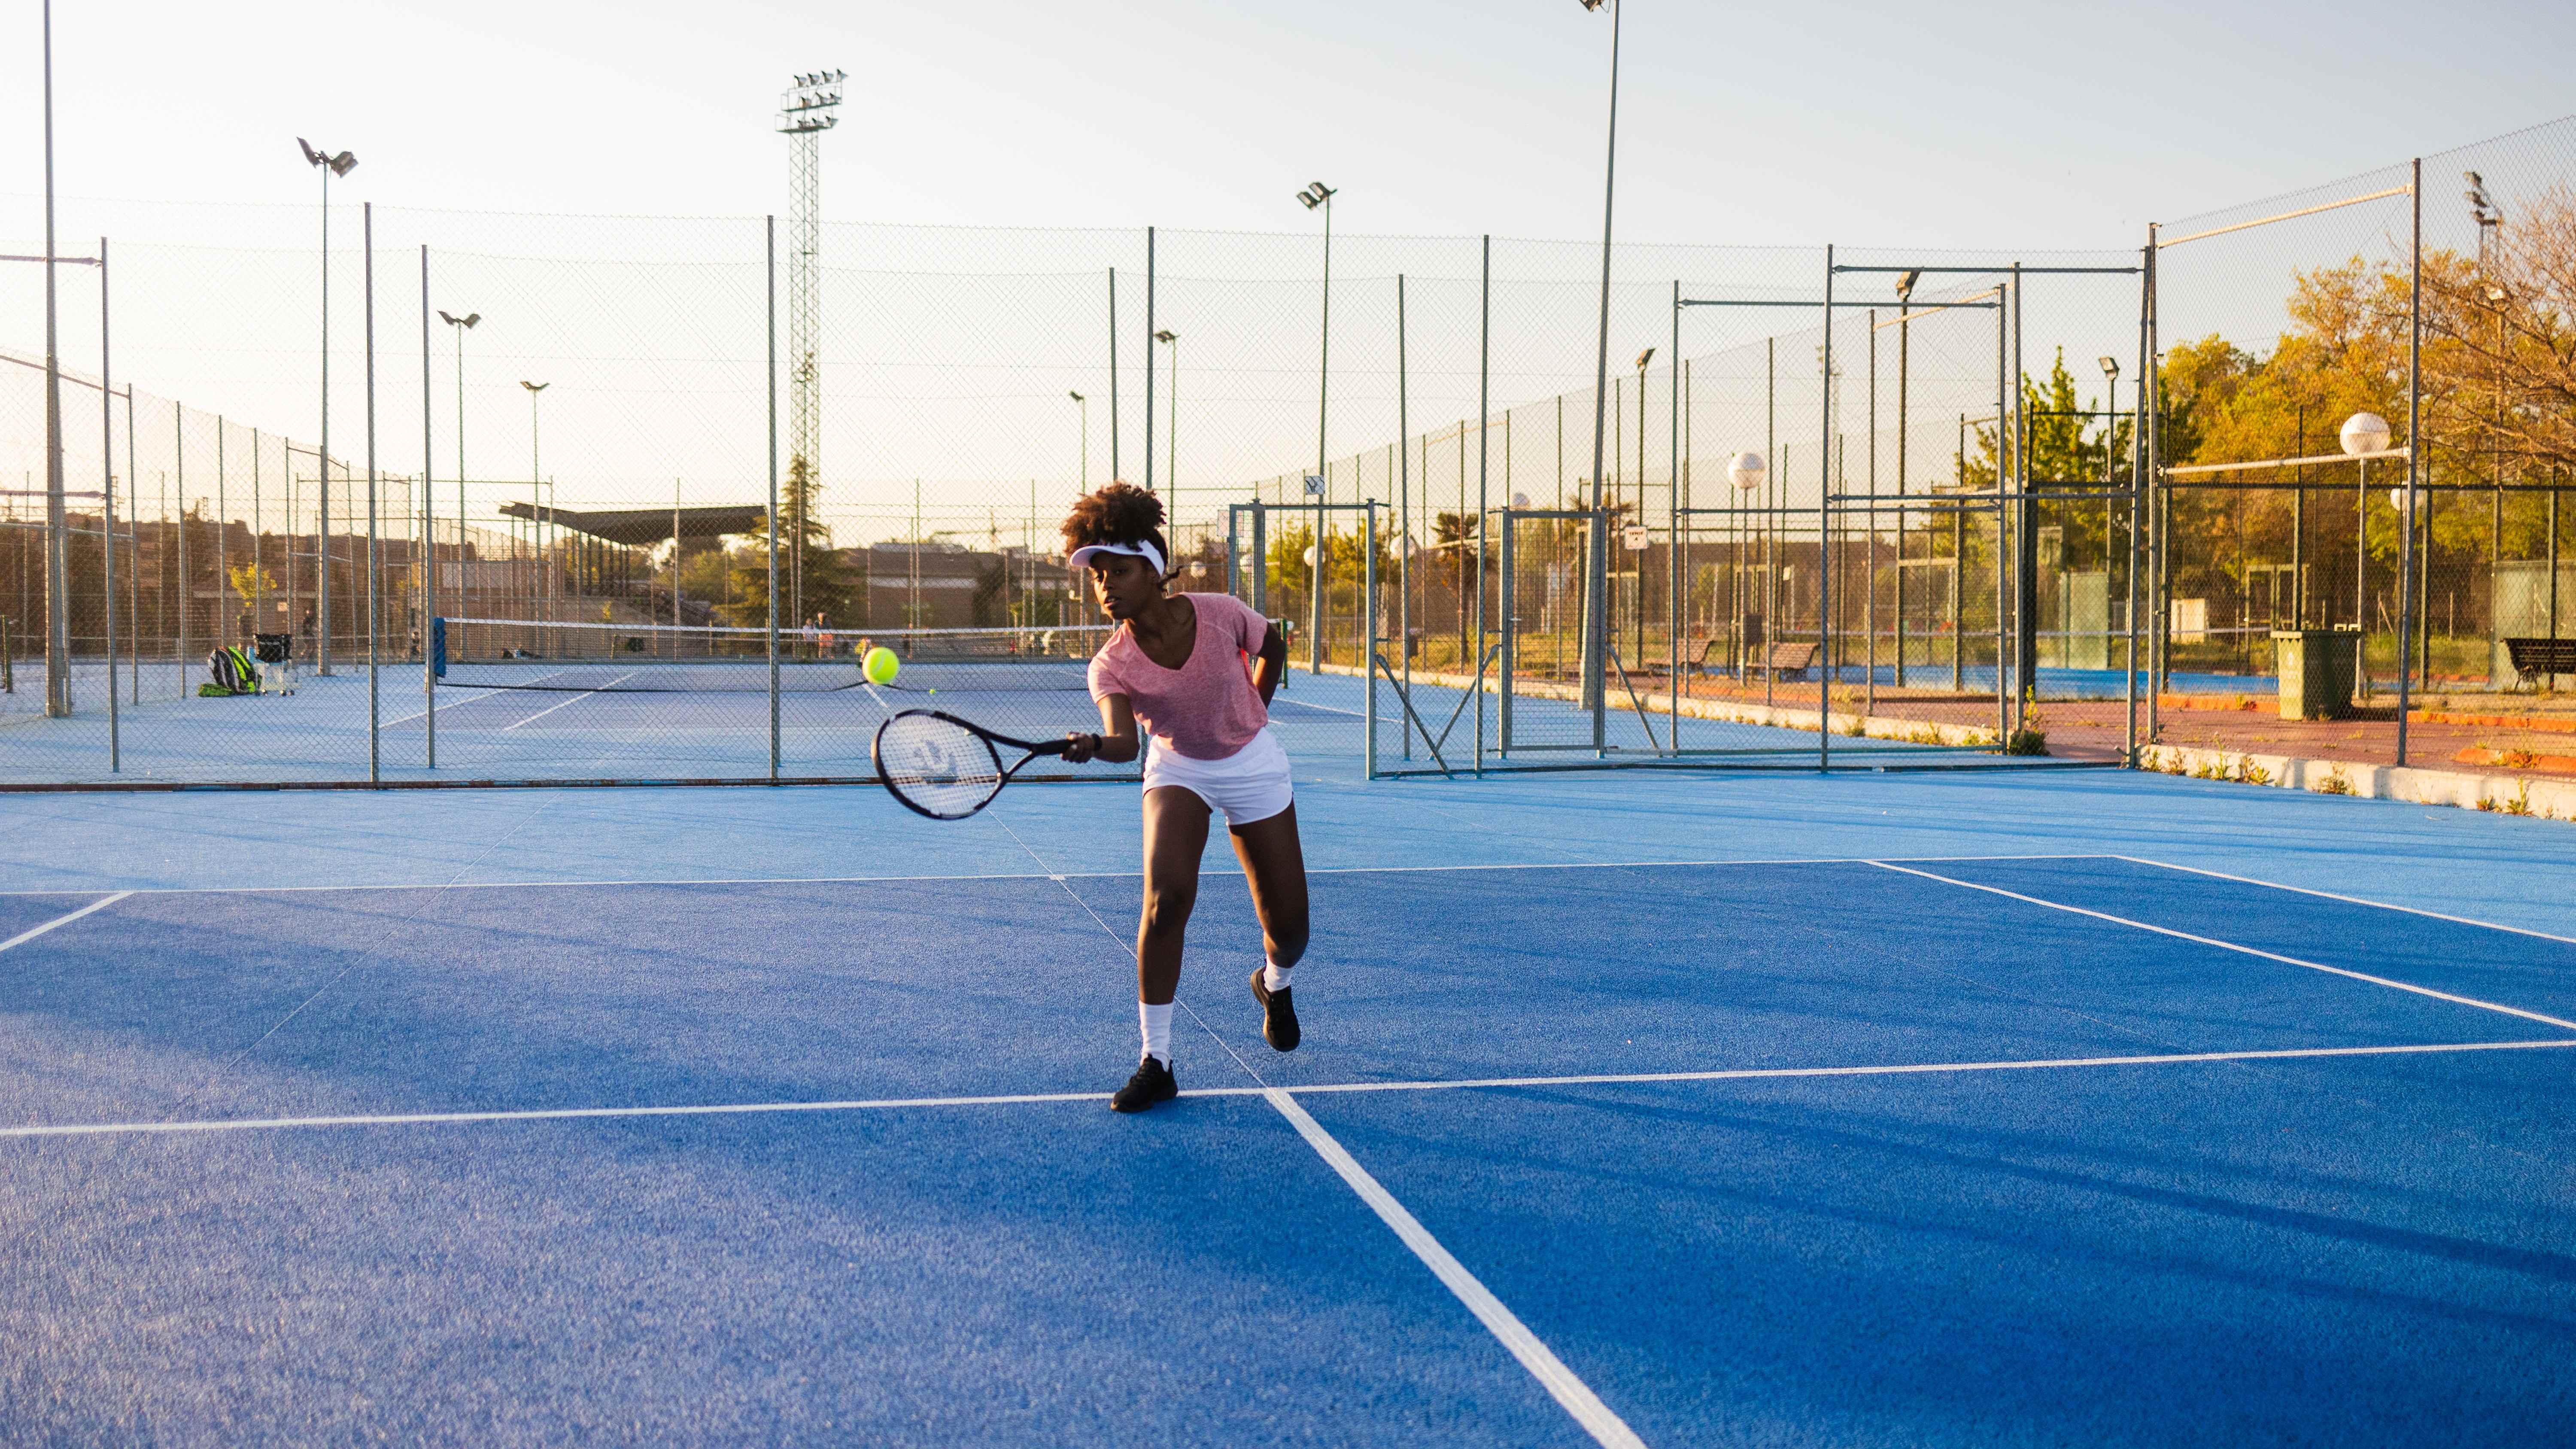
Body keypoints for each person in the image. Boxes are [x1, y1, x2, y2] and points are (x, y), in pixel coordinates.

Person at [1060, 483, 1306, 1112]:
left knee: (1290, 933)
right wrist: (1094, 744)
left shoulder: (1221, 613)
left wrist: (1255, 710)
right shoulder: (1110, 664)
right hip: (1179, 768)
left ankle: (1274, 982)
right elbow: (1124, 744)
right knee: (1165, 901)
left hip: (1252, 762)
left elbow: (1273, 644)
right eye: (1097, 575)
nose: (1105, 586)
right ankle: (1158, 1060)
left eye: (1118, 570)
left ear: (1152, 569)